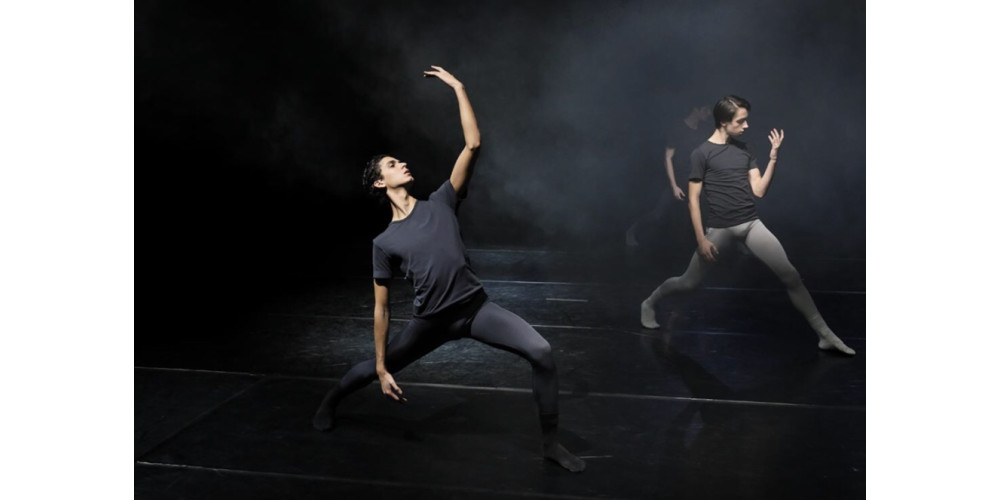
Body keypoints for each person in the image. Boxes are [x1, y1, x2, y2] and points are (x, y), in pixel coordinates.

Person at [312, 66, 586, 472]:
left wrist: (458, 87)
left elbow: (472, 145)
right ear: (378, 183)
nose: (400, 163)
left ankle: (550, 444)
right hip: (431, 323)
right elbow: (381, 309)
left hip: (476, 310)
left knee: (542, 353)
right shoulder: (384, 242)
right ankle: (332, 399)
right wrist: (385, 367)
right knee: (373, 369)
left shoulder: (442, 200)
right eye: (391, 163)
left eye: (398, 159)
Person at [638, 95, 855, 356]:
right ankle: (650, 302)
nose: (746, 126)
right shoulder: (701, 154)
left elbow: (759, 191)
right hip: (719, 230)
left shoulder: (746, 149)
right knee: (688, 283)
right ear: (723, 123)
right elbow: (693, 201)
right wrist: (701, 239)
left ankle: (825, 335)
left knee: (791, 276)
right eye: (741, 121)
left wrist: (773, 157)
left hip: (751, 224)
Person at [625, 106, 711, 247]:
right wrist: (674, 186)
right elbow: (667, 158)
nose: (708, 114)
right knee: (658, 215)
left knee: (701, 214)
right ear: (695, 109)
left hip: (695, 179)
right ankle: (631, 231)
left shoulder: (702, 131)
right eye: (706, 110)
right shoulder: (678, 129)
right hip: (677, 179)